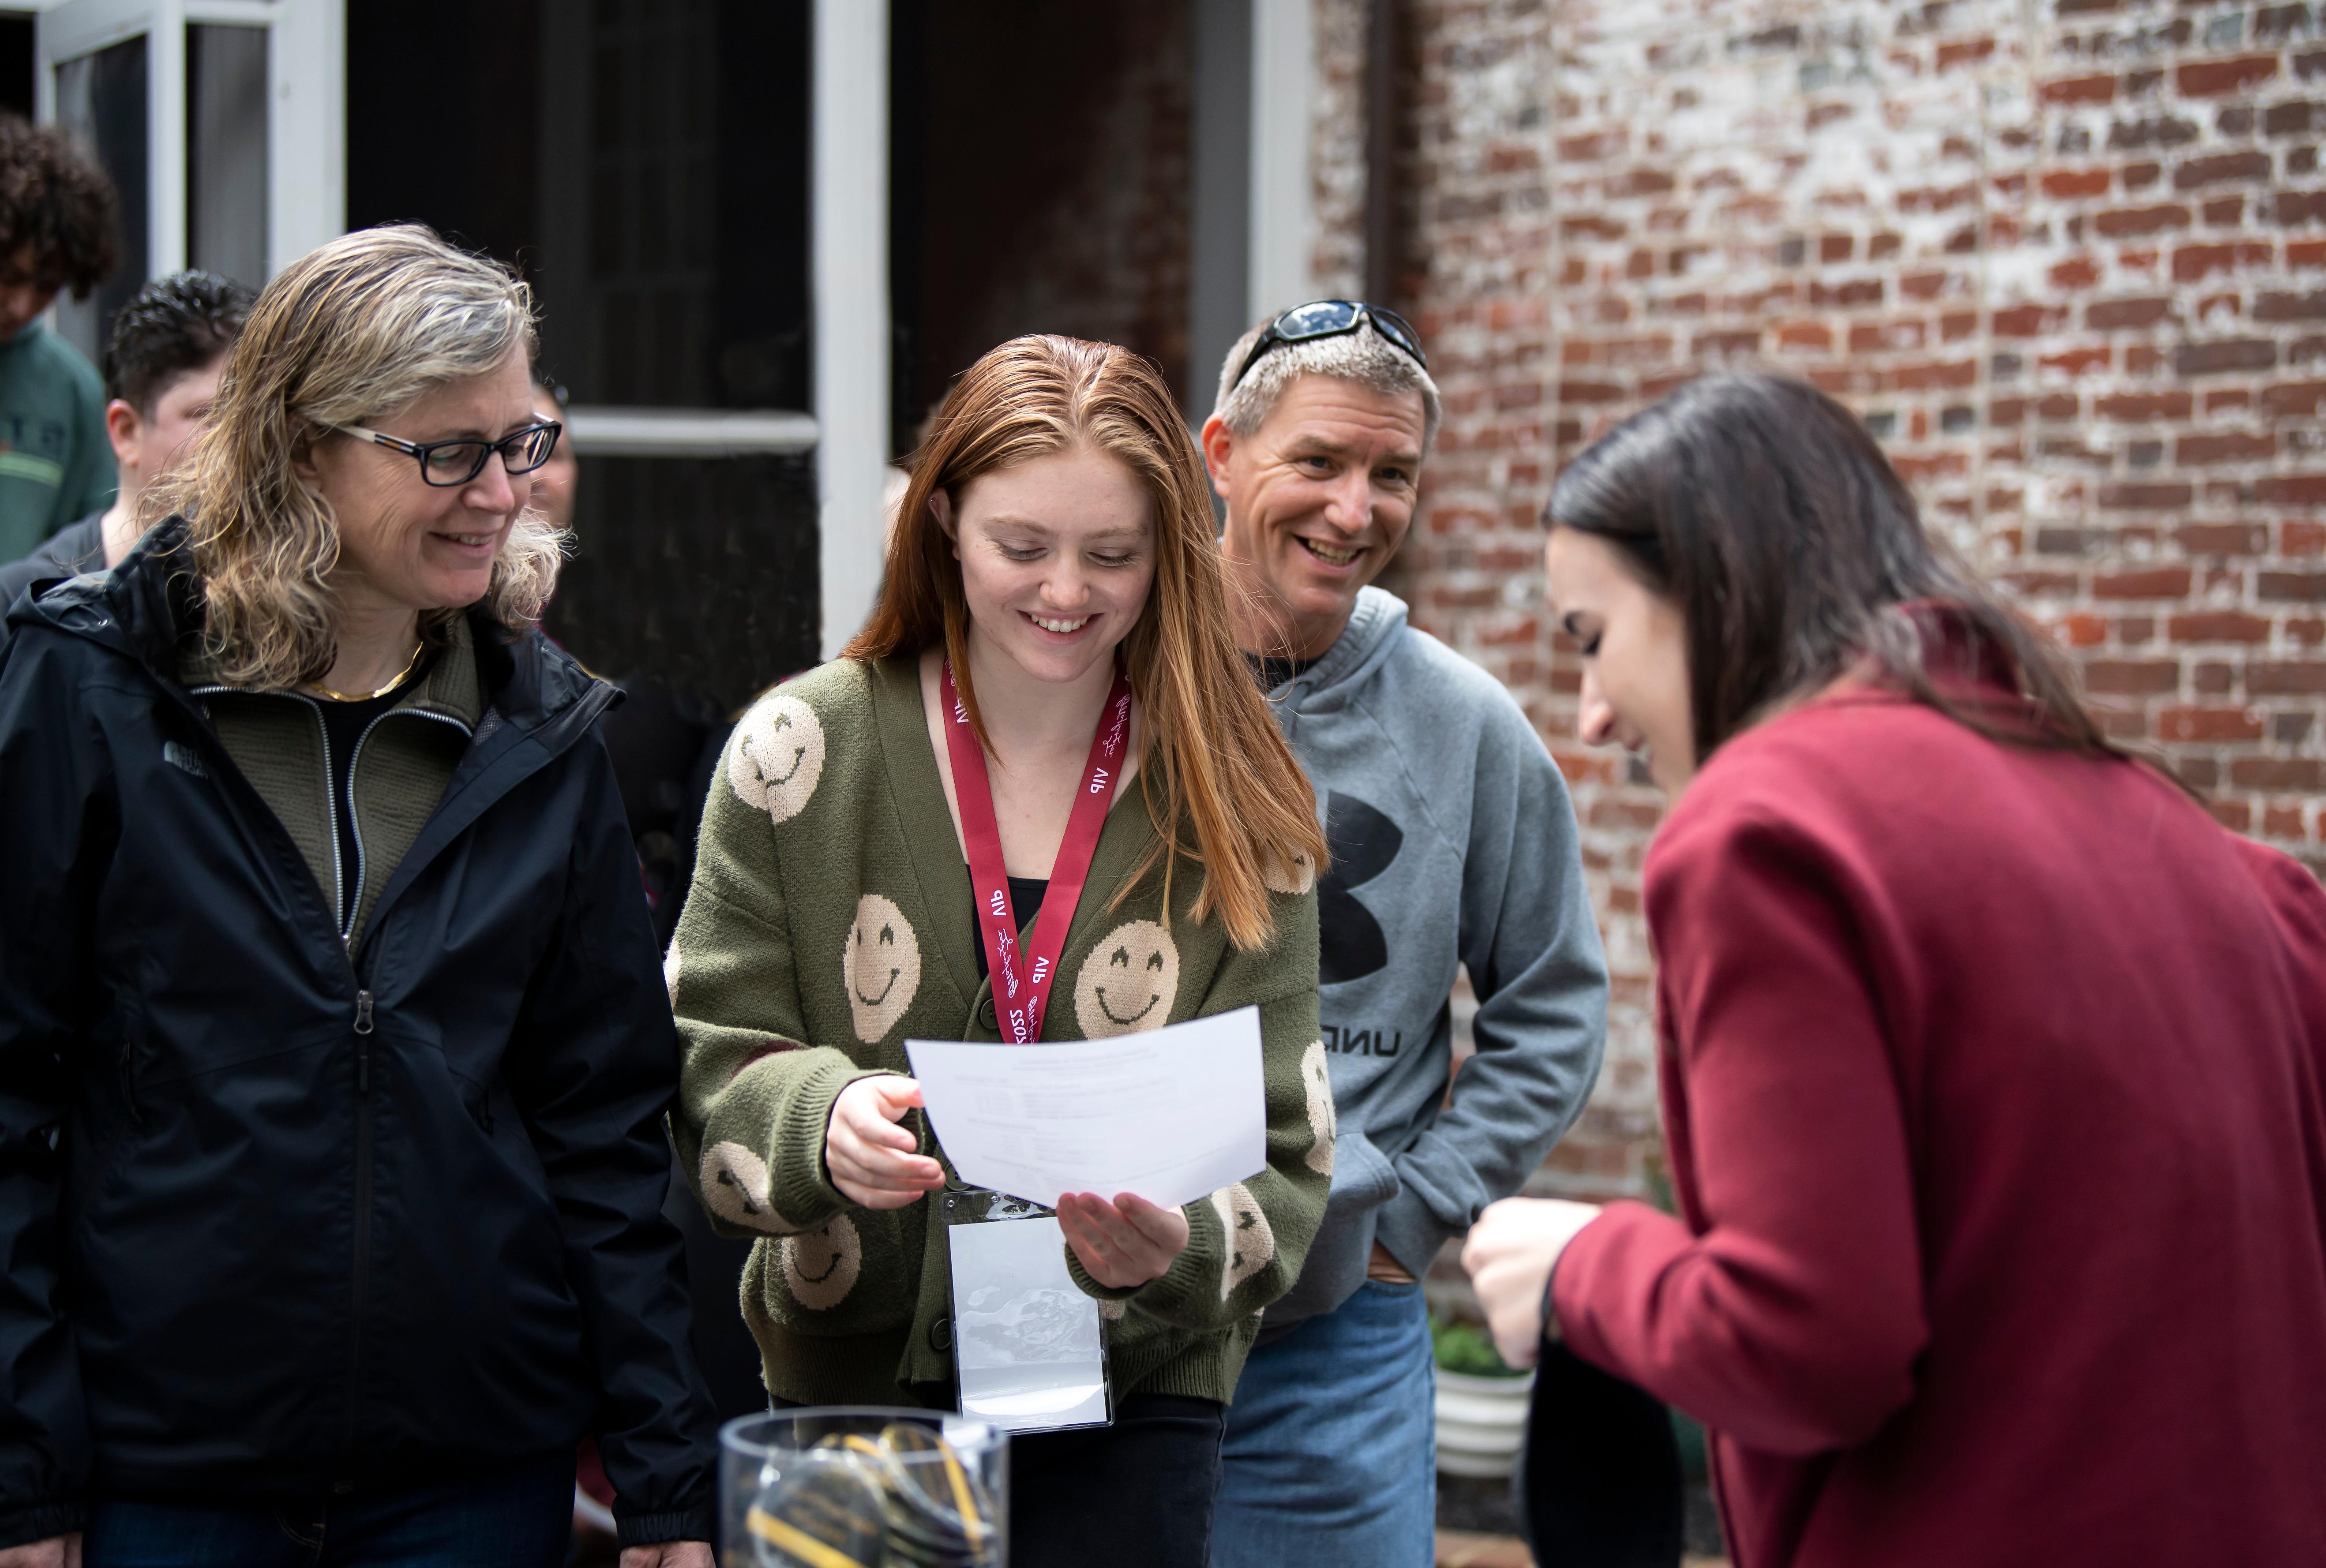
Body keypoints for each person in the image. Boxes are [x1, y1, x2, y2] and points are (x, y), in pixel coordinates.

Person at [1465, 372, 2326, 1568]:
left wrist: (1584, 1263)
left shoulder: (1769, 830)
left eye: (1595, 640)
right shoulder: (2214, 854)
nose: (1596, 714)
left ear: (1719, 588)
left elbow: (1806, 1342)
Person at [0, 224, 715, 1568]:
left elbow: (602, 1132)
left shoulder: (544, 735)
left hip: (469, 1478)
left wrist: (663, 1480)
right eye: (445, 452)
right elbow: (10, 1090)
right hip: (159, 1478)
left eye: (521, 441)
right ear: (297, 447)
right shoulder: (89, 683)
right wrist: (23, 1474)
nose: (501, 492)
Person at [668, 333, 1332, 1568]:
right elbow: (705, 1064)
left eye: (1113, 553)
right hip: (850, 1388)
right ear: (942, 529)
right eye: (1021, 546)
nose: (1066, 591)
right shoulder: (796, 753)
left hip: (1132, 1403)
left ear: (1170, 556)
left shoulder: (1240, 797)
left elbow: (1292, 1152)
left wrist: (1175, 1246)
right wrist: (822, 1117)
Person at [1197, 302, 1608, 1567]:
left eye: (1394, 474)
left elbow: (1555, 1002)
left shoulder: (1467, 725)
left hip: (1330, 1341)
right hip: (1090, 1320)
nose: (1355, 508)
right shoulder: (1105, 678)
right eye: (1318, 461)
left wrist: (1413, 1211)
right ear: (1222, 454)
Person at [0, 270, 252, 616]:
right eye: (209, 415)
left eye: (255, 416)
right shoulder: (27, 608)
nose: (241, 438)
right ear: (126, 431)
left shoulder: (279, 603)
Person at [0, 115, 117, 564]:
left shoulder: (73, 389)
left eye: (47, 287)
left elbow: (93, 553)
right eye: (10, 278)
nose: (23, 305)